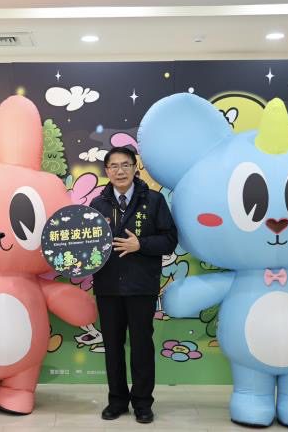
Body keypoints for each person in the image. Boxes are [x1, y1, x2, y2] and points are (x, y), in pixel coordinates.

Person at [89, 146, 178, 424]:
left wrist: (141, 244)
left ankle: (142, 403)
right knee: (112, 346)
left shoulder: (153, 200)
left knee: (141, 347)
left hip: (141, 286)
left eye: (125, 165)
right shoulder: (97, 205)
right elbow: (88, 246)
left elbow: (170, 240)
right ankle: (117, 401)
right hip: (108, 287)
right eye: (114, 166)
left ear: (134, 168)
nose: (120, 171)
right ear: (107, 171)